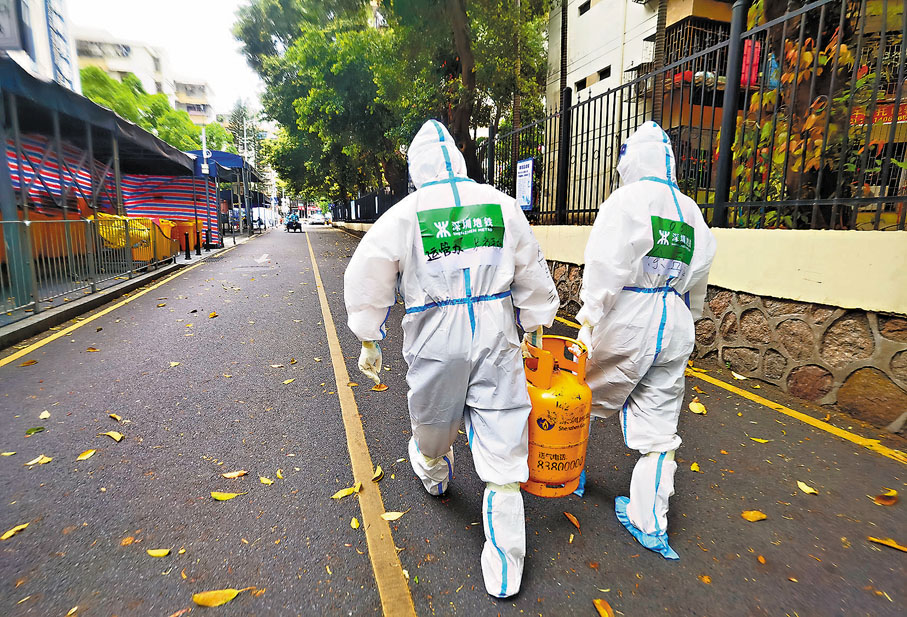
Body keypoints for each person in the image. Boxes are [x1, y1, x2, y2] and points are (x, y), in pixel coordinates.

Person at [344, 119, 559, 598]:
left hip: (435, 334)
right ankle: (505, 572)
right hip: (496, 330)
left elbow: (368, 274)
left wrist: (368, 337)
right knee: (503, 435)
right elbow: (531, 266)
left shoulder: (406, 214)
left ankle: (435, 474)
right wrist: (535, 321)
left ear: (417, 169)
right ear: (460, 161)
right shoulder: (500, 205)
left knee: (433, 422)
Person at [575, 122, 716, 560]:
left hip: (628, 315)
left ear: (632, 160)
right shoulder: (692, 212)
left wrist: (588, 319)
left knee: (583, 396)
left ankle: (568, 471)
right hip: (674, 318)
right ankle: (650, 522)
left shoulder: (626, 201)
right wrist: (688, 318)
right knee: (660, 429)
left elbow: (606, 265)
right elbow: (699, 279)